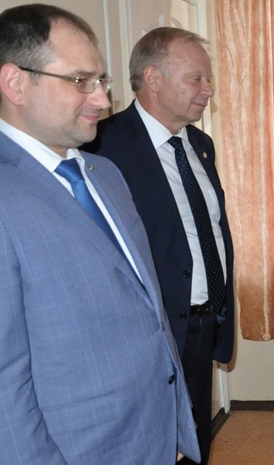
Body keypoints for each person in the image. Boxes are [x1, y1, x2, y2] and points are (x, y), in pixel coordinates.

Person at [0, 4, 198, 464]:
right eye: (80, 81)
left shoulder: (104, 173)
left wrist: (172, 426)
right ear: (15, 83)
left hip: (150, 432)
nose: (103, 101)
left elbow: (147, 310)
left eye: (102, 81)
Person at [81, 27, 235, 465]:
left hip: (202, 323)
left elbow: (210, 230)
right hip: (146, 334)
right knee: (151, 446)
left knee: (196, 443)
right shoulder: (101, 145)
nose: (208, 90)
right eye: (196, 78)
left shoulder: (200, 145)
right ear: (153, 78)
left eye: (208, 79)